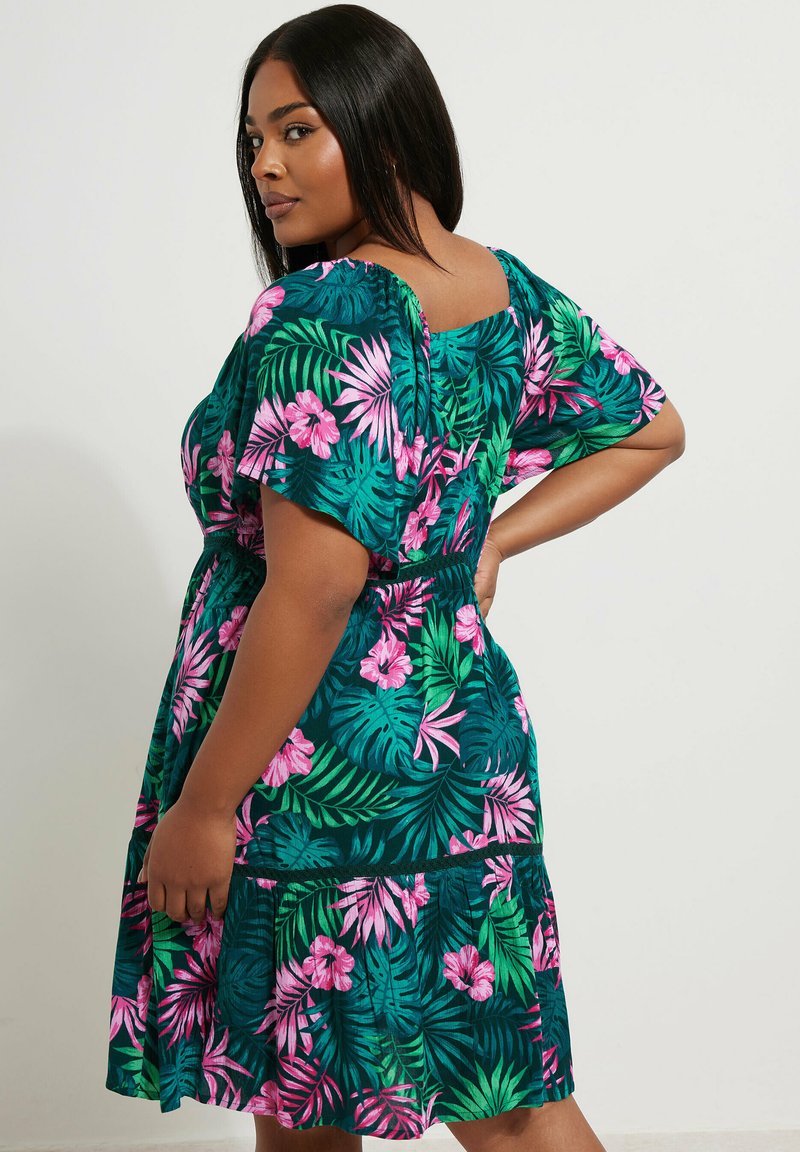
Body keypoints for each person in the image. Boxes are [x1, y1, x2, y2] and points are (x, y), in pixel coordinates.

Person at [105, 6, 686, 1151]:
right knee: (501, 1101)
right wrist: (484, 541)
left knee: (309, 1101)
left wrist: (206, 806)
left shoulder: (325, 310)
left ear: (380, 123)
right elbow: (648, 429)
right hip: (459, 749)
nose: (264, 165)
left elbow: (314, 587)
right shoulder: (501, 288)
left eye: (297, 129)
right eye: (252, 139)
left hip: (316, 759)